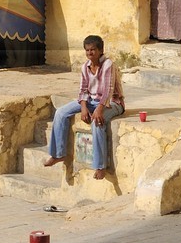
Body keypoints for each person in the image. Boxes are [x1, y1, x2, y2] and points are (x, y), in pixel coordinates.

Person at [43, 34, 125, 180]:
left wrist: (99, 110)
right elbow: (83, 91)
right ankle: (58, 154)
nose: (89, 53)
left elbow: (108, 90)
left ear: (100, 50)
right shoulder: (85, 67)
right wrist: (83, 107)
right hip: (91, 100)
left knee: (97, 122)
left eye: (93, 50)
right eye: (87, 50)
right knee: (60, 113)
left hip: (112, 103)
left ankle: (100, 166)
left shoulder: (108, 65)